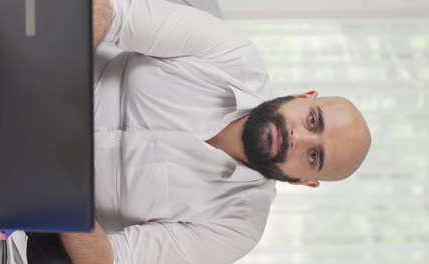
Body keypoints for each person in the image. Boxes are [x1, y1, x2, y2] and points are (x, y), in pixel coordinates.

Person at [58, 0, 372, 263]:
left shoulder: (238, 227)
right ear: (304, 97)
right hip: (39, 71)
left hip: (40, 197)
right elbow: (110, 13)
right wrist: (44, 78)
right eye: (313, 121)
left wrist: (52, 183)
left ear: (306, 181)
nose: (297, 138)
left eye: (314, 155)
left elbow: (110, 259)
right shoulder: (233, 53)